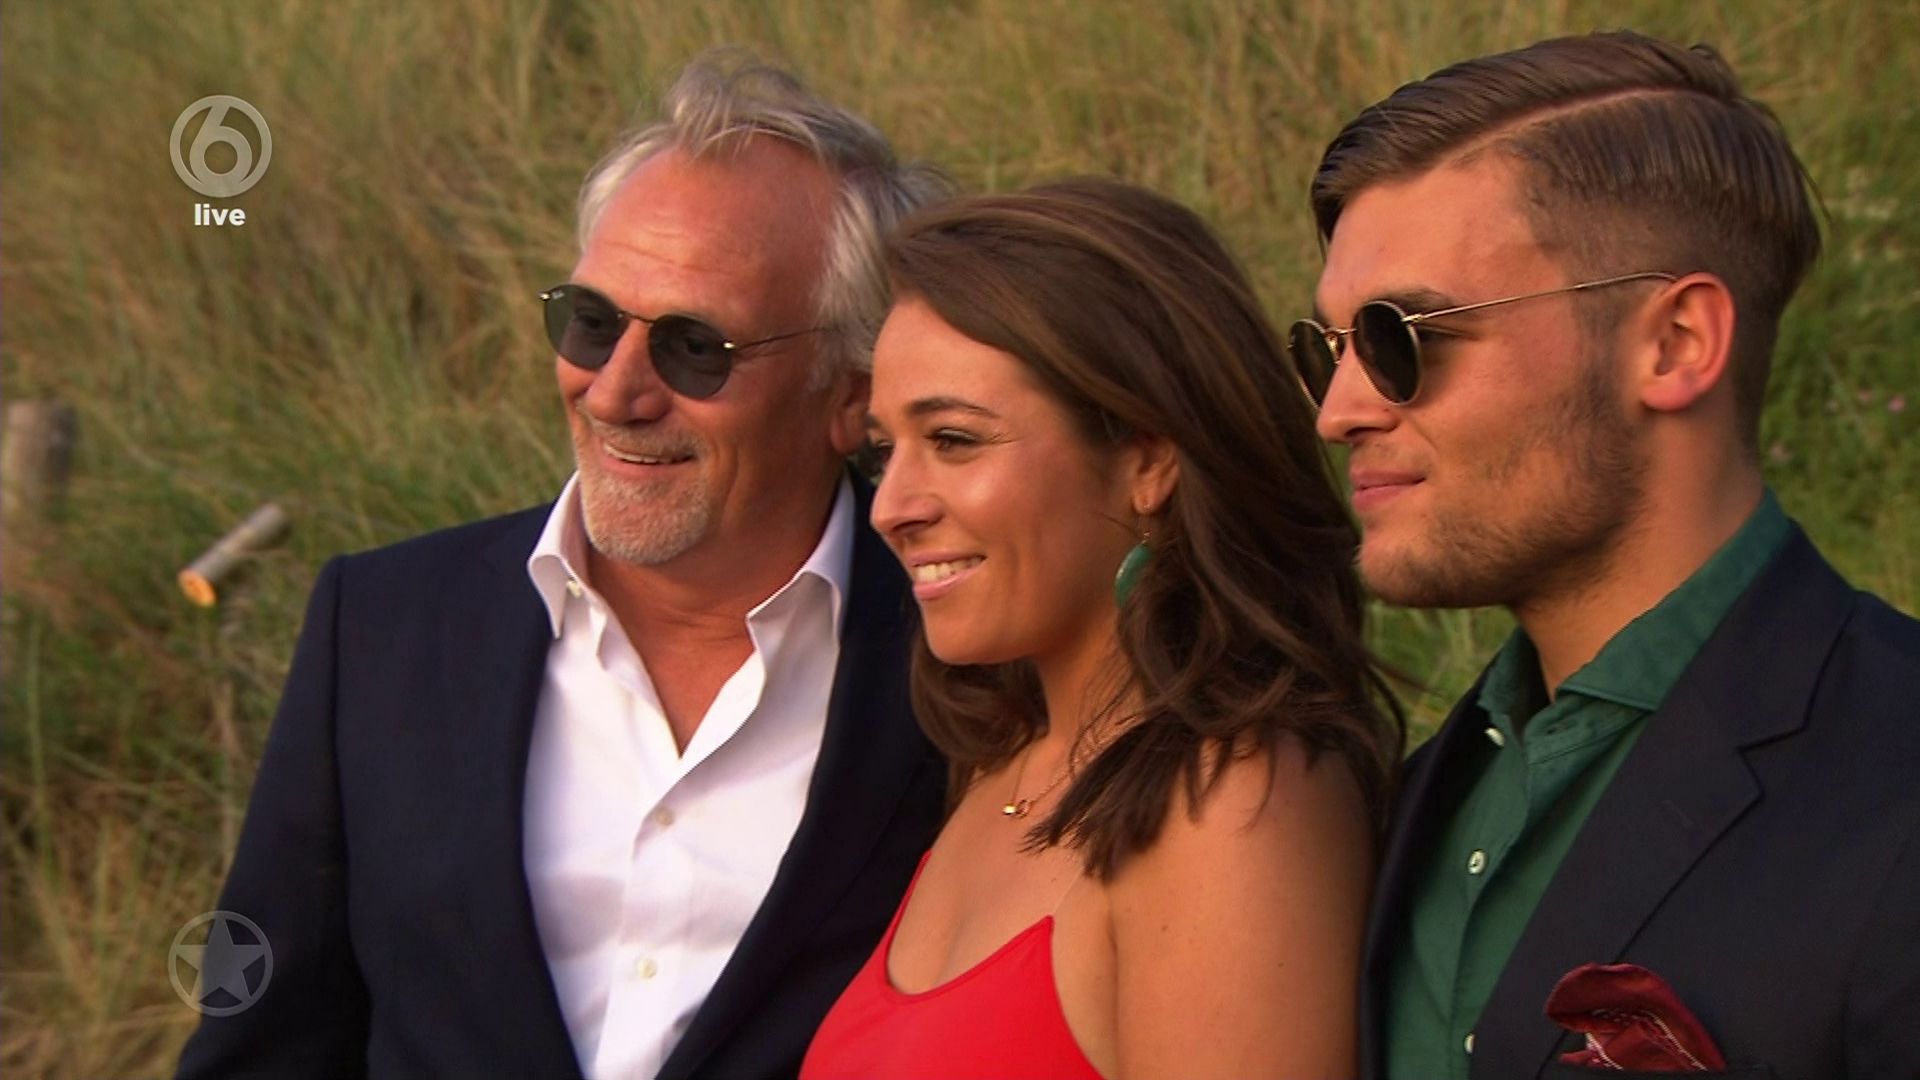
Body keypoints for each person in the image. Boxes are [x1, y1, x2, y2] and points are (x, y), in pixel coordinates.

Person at [176, 53, 951, 1079]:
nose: (613, 391)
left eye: (694, 347)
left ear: (850, 393)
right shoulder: (382, 628)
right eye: (590, 323)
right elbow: (264, 1047)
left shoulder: (967, 663)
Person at [1292, 30, 1920, 1080]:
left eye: (1406, 338)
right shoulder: (1411, 800)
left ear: (1675, 344)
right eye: (1326, 352)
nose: (1340, 411)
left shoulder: (1893, 781)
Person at [800, 177, 1405, 1078]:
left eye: (954, 440)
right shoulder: (1004, 760)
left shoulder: (1231, 802)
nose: (891, 507)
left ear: (1149, 458)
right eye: (885, 450)